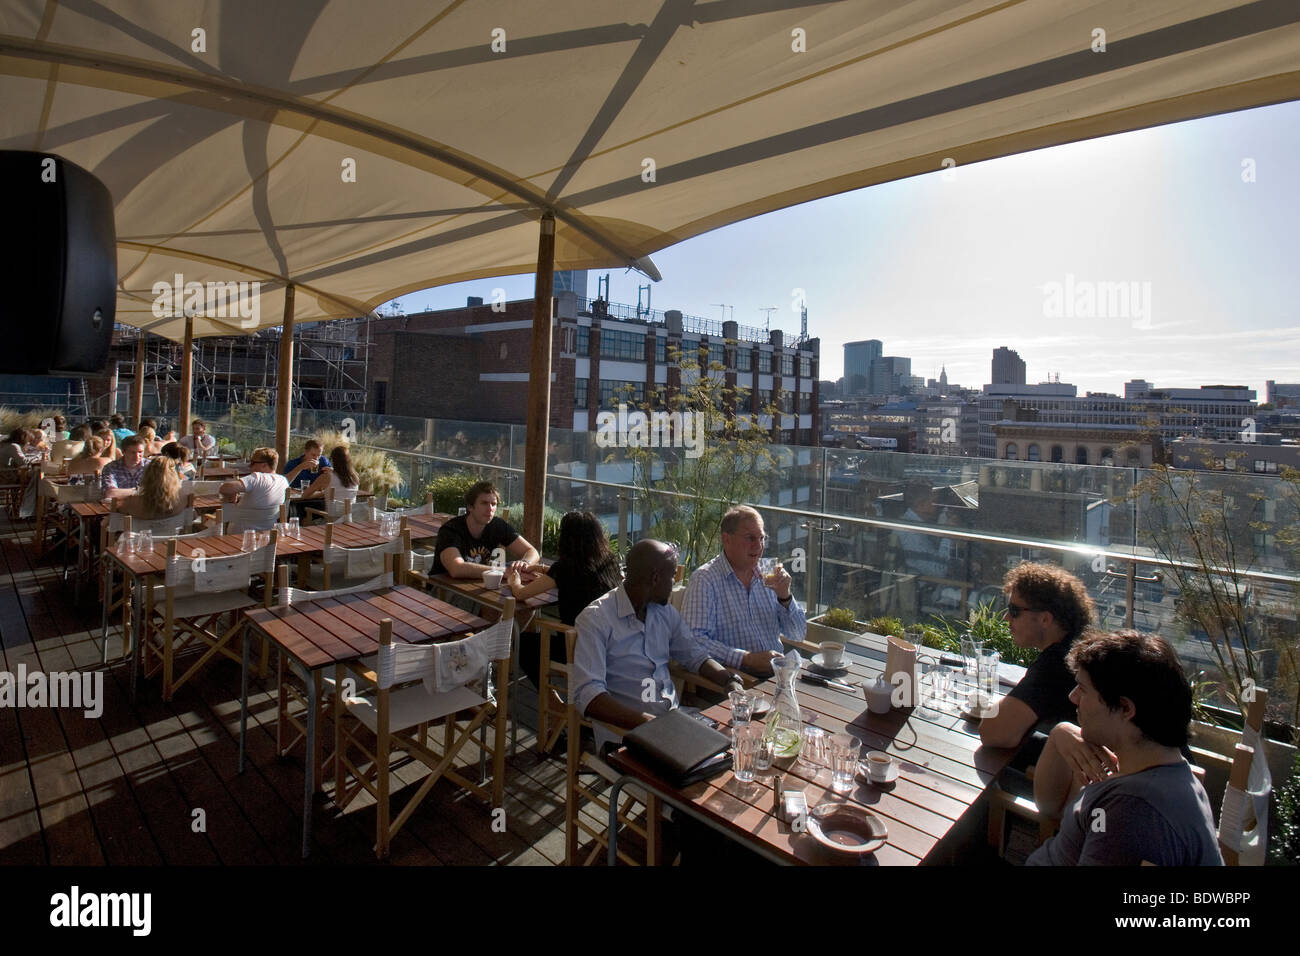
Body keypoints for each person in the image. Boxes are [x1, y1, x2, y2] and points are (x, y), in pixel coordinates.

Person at [1027, 630, 1222, 866]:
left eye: (1083, 689)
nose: (1073, 697)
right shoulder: (1160, 773)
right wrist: (1060, 734)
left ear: (1125, 709)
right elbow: (1050, 808)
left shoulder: (1131, 811)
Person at [572, 539, 743, 747]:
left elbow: (695, 655)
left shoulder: (663, 613)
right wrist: (651, 725)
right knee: (721, 762)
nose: (674, 583)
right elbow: (589, 697)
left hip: (674, 724)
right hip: (629, 738)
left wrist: (729, 680)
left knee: (737, 746)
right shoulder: (596, 619)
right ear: (655, 578)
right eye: (672, 576)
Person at [978, 562, 1095, 749]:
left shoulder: (1057, 664)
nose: (1007, 618)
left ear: (1045, 619)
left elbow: (992, 732)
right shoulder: (1082, 647)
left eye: (1014, 611)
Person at [680, 505, 805, 678]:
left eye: (761, 538)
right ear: (727, 540)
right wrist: (746, 659)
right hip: (737, 682)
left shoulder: (767, 573)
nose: (758, 545)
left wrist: (785, 596)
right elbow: (693, 642)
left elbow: (798, 634)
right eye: (750, 538)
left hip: (779, 674)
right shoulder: (705, 580)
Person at [507, 510, 622, 687]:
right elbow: (563, 575)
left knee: (523, 644)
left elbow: (521, 594)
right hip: (609, 646)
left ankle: (551, 701)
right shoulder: (609, 564)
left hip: (574, 647)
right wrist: (544, 569)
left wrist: (514, 581)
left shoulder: (566, 569)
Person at [432, 480, 539, 577]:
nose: (490, 509)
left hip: (480, 584)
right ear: (470, 507)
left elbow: (532, 551)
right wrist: (503, 571)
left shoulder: (497, 525)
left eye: (493, 504)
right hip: (444, 590)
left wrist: (525, 563)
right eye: (484, 503)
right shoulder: (451, 530)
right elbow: (456, 569)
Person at [219, 447, 290, 532]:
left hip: (239, 534)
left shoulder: (257, 477)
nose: (250, 466)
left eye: (253, 463)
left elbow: (224, 488)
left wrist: (233, 494)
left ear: (264, 465)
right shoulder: (283, 481)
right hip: (267, 535)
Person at [115, 457, 188, 523]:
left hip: (142, 537)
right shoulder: (183, 498)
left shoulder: (132, 502)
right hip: (173, 537)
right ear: (174, 475)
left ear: (147, 475)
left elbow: (114, 522)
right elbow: (191, 518)